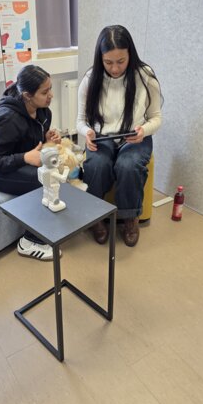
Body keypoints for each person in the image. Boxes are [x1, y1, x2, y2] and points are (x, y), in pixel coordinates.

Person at [76, 25, 162, 247]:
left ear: (130, 54)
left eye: (121, 61)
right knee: (97, 165)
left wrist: (144, 131)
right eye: (108, 62)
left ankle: (130, 218)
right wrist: (87, 133)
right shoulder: (90, 79)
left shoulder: (145, 76)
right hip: (101, 136)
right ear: (100, 58)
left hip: (135, 136)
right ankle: (95, 216)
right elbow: (80, 121)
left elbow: (156, 117)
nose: (115, 68)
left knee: (128, 165)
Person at [0, 64, 61, 261]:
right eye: (45, 92)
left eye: (50, 88)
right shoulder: (7, 119)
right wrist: (25, 157)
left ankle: (47, 224)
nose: (51, 95)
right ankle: (29, 241)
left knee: (57, 170)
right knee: (43, 179)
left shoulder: (44, 111)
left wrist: (47, 138)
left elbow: (33, 139)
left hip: (17, 159)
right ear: (27, 95)